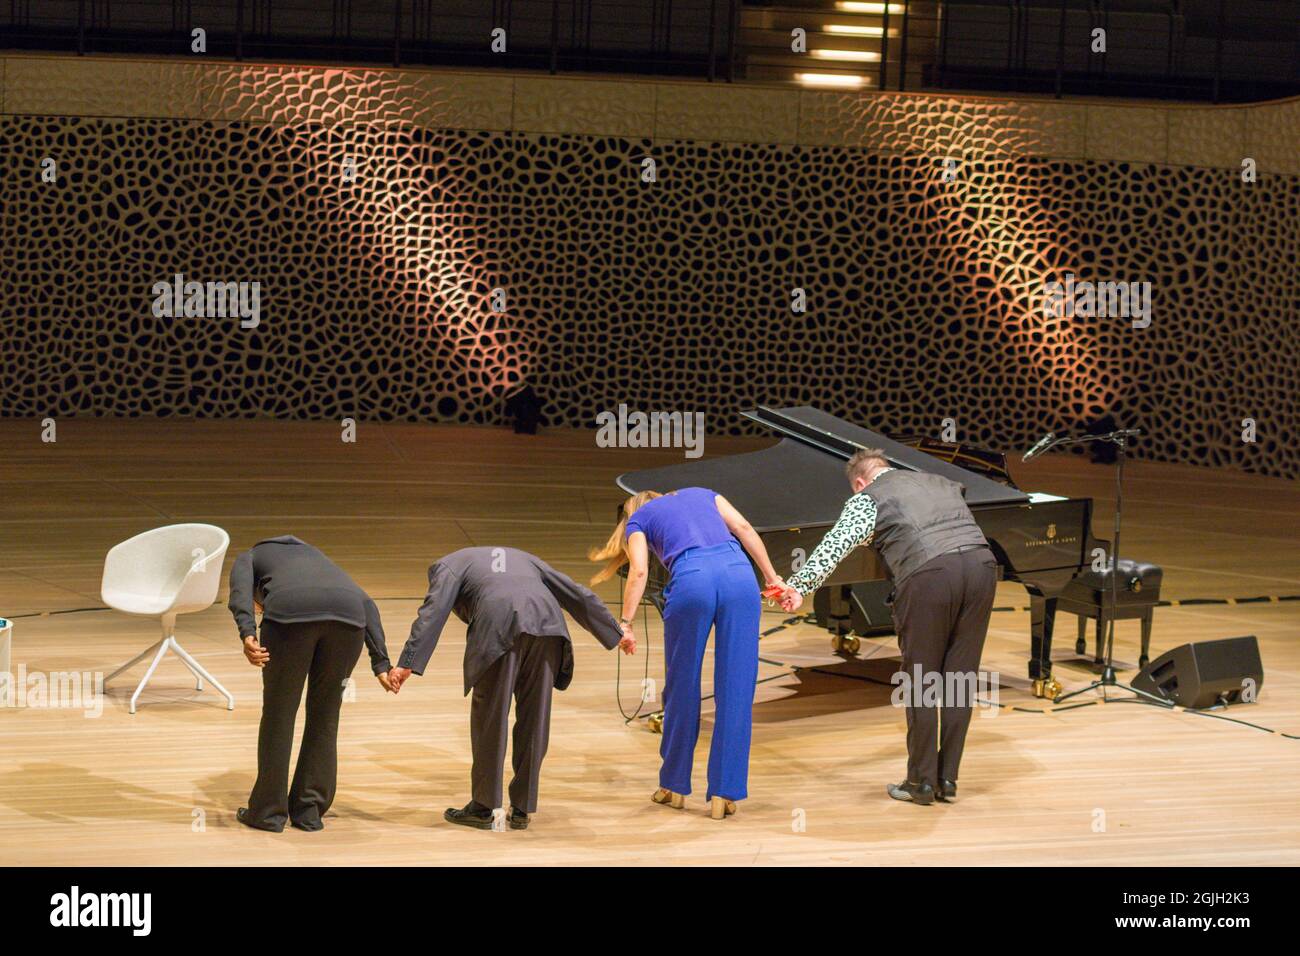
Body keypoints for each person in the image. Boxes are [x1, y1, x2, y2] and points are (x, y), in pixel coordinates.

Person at [778, 449, 997, 806]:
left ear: (860, 482)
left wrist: (800, 586)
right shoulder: (939, 481)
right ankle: (948, 778)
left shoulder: (868, 498)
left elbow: (836, 545)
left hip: (930, 575)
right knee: (960, 678)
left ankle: (921, 782)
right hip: (982, 566)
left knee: (922, 679)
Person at [387, 547, 633, 831]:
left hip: (499, 627)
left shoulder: (446, 566)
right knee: (535, 718)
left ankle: (482, 807)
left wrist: (407, 662)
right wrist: (616, 632)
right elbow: (575, 593)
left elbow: (434, 610)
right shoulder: (526, 558)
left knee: (490, 716)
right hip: (548, 627)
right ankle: (522, 808)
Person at [590, 487, 783, 820]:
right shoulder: (703, 494)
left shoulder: (638, 519)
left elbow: (638, 571)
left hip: (693, 581)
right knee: (737, 688)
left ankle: (674, 786)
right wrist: (773, 577)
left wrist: (626, 622)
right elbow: (745, 529)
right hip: (740, 576)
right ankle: (725, 793)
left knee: (682, 686)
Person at [227, 535, 392, 832]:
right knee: (326, 715)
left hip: (289, 617)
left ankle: (267, 813)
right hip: (349, 622)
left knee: (280, 713)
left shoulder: (248, 556)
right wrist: (381, 662)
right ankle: (309, 810)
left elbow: (240, 593)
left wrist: (247, 631)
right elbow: (366, 602)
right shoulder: (321, 559)